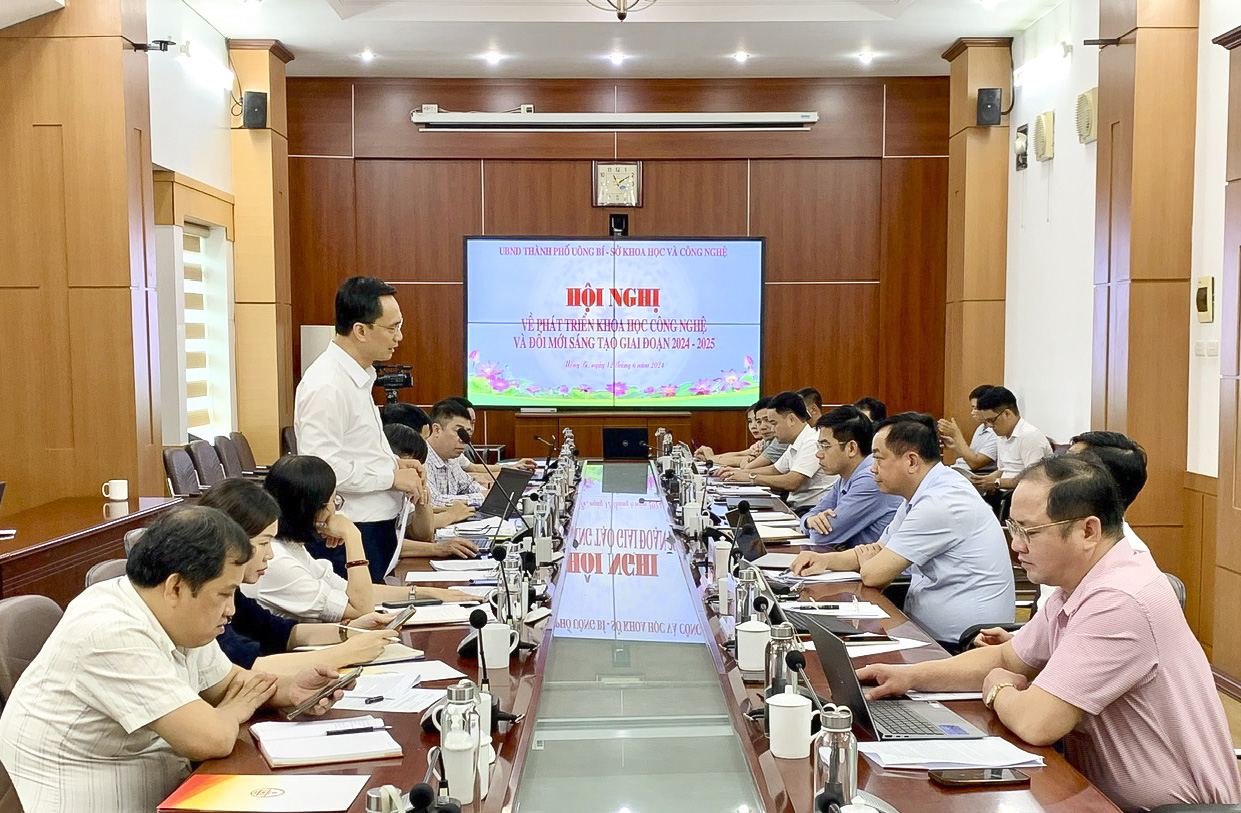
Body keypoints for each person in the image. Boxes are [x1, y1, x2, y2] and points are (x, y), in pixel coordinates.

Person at [857, 456, 1241, 813]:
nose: (1016, 545)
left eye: (1029, 531)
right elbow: (1008, 657)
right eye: (1013, 527)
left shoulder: (1120, 599)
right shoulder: (1078, 583)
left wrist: (997, 688)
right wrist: (909, 677)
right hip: (1095, 792)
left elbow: (1037, 722)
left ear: (1088, 530)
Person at [0, 507, 348, 813]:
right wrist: (233, 710)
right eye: (225, 594)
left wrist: (291, 689)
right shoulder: (108, 631)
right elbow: (209, 738)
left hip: (174, 791)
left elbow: (228, 683)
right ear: (176, 587)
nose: (231, 609)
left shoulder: (176, 616)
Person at [790, 413, 1014, 645]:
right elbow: (879, 549)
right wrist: (824, 560)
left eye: (879, 459)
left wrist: (870, 562)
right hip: (923, 628)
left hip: (963, 642)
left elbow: (874, 573)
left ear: (911, 461)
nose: (872, 469)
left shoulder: (940, 501)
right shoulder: (922, 492)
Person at [294, 276, 428, 583]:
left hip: (374, 527)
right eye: (392, 328)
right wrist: (390, 477)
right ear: (361, 330)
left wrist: (394, 464)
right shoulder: (327, 384)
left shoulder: (358, 376)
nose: (399, 337)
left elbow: (355, 449)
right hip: (350, 534)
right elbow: (323, 469)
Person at [198, 479, 401, 674]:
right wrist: (348, 652)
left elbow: (280, 632)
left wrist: (350, 630)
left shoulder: (234, 592)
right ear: (230, 542)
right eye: (263, 543)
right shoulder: (203, 599)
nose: (270, 554)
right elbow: (246, 667)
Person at [241, 455, 472, 623]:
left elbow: (350, 591)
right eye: (334, 501)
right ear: (312, 508)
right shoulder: (277, 561)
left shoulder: (292, 548)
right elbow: (361, 608)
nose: (336, 510)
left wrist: (428, 593)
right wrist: (352, 536)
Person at [975, 430, 1152, 645]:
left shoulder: (1120, 575)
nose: (1017, 545)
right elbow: (1053, 630)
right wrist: (1017, 640)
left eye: (1070, 465)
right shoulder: (1065, 542)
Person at [800, 406, 902, 548]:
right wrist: (809, 521)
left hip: (874, 561)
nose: (818, 454)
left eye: (825, 446)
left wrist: (811, 524)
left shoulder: (871, 478)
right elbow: (813, 514)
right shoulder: (846, 476)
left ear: (851, 448)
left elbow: (822, 536)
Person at [722, 391, 833, 511]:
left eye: (774, 423)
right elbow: (775, 470)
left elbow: (792, 482)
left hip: (812, 510)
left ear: (791, 419)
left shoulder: (812, 441)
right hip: (797, 507)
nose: (771, 429)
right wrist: (738, 473)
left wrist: (751, 477)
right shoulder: (796, 441)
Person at [384, 423, 479, 558]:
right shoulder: (372, 491)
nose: (415, 471)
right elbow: (383, 543)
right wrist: (438, 549)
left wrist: (422, 501)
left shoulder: (403, 489)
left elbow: (423, 534)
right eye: (409, 464)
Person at [970, 386, 1052, 493]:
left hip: (1021, 494)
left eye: (992, 420)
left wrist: (997, 483)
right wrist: (986, 480)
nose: (990, 426)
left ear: (1007, 414)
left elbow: (1033, 480)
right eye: (986, 421)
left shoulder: (1029, 436)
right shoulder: (1001, 435)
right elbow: (1004, 469)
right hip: (1002, 492)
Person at [425, 398, 487, 508]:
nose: (464, 440)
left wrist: (487, 494)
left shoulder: (452, 459)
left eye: (467, 432)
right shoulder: (422, 458)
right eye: (459, 431)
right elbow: (433, 501)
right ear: (437, 430)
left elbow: (469, 485)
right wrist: (481, 497)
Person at [937, 384, 999, 473]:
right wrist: (956, 445)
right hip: (959, 468)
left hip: (972, 474)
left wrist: (956, 435)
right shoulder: (981, 427)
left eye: (976, 408)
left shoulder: (997, 433)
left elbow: (975, 463)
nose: (972, 413)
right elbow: (970, 456)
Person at [695, 398, 769, 466]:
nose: (753, 426)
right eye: (750, 421)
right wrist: (710, 457)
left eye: (757, 421)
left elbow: (744, 461)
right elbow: (740, 454)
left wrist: (710, 458)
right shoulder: (763, 442)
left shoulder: (774, 442)